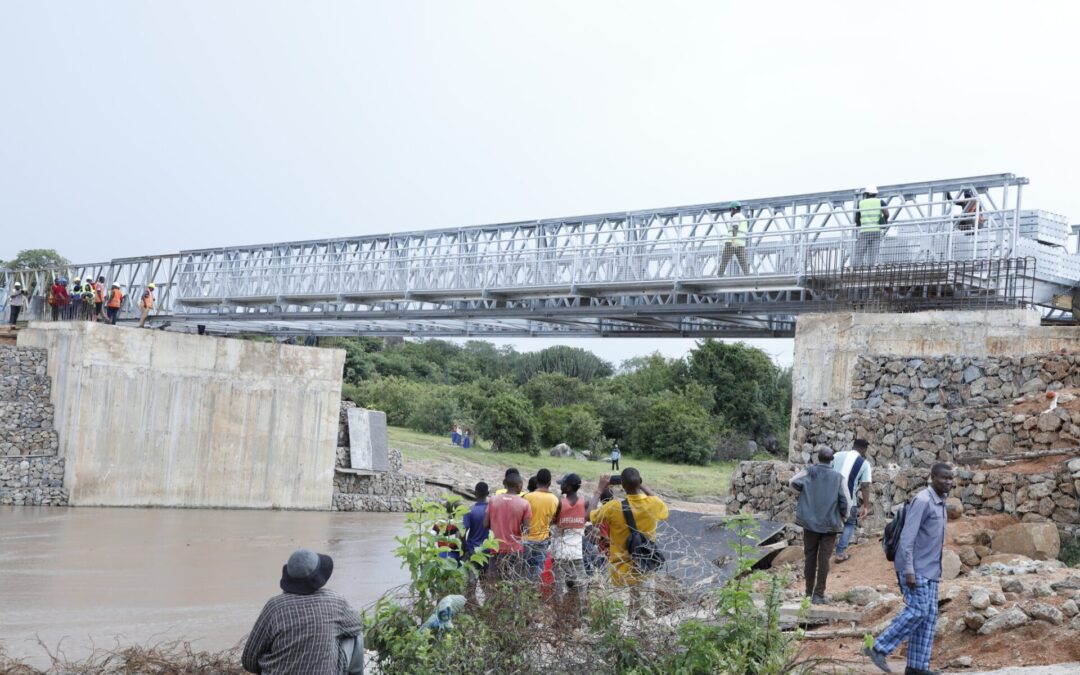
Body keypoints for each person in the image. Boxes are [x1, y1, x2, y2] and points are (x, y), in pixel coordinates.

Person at [864, 463, 954, 675]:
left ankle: (917, 667)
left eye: (951, 478)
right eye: (944, 478)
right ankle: (877, 647)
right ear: (932, 477)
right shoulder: (923, 500)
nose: (948, 482)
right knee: (918, 610)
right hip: (916, 569)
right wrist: (909, 570)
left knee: (929, 616)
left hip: (931, 570)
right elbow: (907, 538)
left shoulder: (941, 502)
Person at [242, 548, 364, 675]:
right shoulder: (335, 601)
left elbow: (248, 660)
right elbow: (357, 626)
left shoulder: (274, 607)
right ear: (318, 578)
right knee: (355, 635)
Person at [589, 468, 669, 616]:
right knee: (647, 611)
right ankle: (648, 636)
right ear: (640, 482)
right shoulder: (653, 504)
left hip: (620, 566)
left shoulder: (613, 507)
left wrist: (599, 490)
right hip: (644, 563)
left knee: (619, 612)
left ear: (622, 486)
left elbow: (590, 515)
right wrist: (642, 486)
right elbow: (661, 506)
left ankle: (620, 637)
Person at [788, 447, 849, 604]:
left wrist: (805, 495)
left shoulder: (809, 471)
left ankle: (808, 593)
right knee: (824, 559)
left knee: (810, 557)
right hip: (829, 524)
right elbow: (845, 502)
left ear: (818, 458)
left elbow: (792, 483)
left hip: (809, 523)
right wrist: (844, 517)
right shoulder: (838, 477)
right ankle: (819, 595)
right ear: (832, 460)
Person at [552, 473, 589, 617]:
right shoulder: (585, 502)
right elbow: (588, 516)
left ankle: (560, 617)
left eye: (562, 484)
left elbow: (553, 522)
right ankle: (582, 616)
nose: (560, 486)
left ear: (567, 487)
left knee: (560, 587)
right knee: (581, 585)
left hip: (560, 552)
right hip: (576, 553)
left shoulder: (560, 503)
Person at [483, 472, 531, 580]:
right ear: (519, 485)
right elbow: (527, 530)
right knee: (514, 583)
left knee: (494, 583)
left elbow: (485, 524)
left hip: (496, 548)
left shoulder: (493, 500)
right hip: (515, 550)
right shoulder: (524, 504)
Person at [833, 438, 873, 563]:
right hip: (849, 500)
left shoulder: (837, 455)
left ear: (853, 445)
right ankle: (839, 553)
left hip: (830, 498)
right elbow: (865, 486)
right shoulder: (864, 463)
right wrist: (866, 506)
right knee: (850, 524)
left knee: (830, 524)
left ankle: (825, 551)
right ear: (864, 449)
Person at [522, 468, 560, 583]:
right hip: (542, 541)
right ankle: (533, 593)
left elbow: (521, 519)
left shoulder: (528, 497)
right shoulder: (555, 500)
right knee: (537, 569)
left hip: (526, 540)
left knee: (523, 570)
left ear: (537, 481)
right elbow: (554, 520)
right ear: (549, 483)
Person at [462, 481, 494, 598]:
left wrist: (463, 547)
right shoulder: (492, 510)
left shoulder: (469, 510)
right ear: (488, 493)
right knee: (487, 585)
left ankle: (470, 608)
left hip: (472, 551)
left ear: (475, 493)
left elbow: (462, 532)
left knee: (471, 584)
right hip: (488, 552)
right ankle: (488, 610)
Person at [854, 186, 889, 267]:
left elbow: (856, 219)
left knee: (859, 252)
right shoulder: (880, 202)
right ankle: (871, 268)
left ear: (866, 194)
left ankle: (856, 268)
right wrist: (885, 221)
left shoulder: (861, 203)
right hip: (876, 231)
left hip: (864, 231)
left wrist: (859, 225)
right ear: (875, 194)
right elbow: (886, 214)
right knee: (873, 252)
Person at [718, 201, 750, 276]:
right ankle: (747, 275)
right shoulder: (743, 218)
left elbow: (735, 228)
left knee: (724, 260)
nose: (730, 212)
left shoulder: (735, 216)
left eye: (731, 210)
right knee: (743, 261)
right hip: (741, 244)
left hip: (732, 242)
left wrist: (733, 241)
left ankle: (719, 275)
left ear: (734, 209)